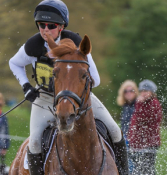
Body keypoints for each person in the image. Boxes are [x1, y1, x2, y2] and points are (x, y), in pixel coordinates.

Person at [9, 0, 128, 174]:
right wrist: (26, 85)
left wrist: (70, 86)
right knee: (34, 142)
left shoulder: (76, 42)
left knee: (115, 130)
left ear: (61, 26)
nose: (45, 29)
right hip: (45, 98)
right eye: (41, 25)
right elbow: (14, 63)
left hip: (77, 97)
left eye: (51, 25)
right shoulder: (33, 45)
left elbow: (96, 79)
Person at [128, 79, 162, 175]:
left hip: (149, 143)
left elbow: (142, 118)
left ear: (151, 92)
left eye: (146, 91)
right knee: (138, 169)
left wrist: (139, 103)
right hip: (138, 142)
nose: (143, 93)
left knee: (147, 169)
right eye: (142, 91)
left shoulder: (154, 103)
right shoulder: (142, 103)